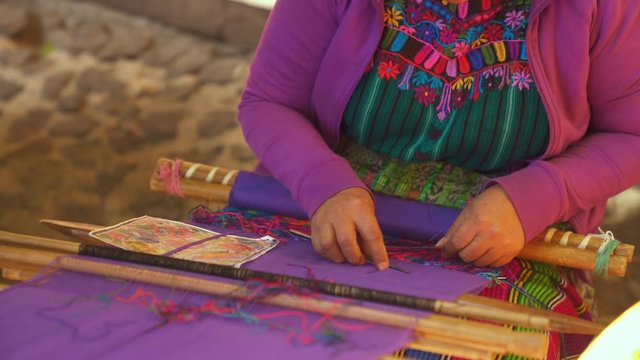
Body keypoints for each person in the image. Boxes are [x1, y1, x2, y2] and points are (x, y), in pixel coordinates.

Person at [238, 0, 640, 271]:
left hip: (508, 239)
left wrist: (535, 196)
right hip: (323, 212)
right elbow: (270, 102)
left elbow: (630, 133)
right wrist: (324, 185)